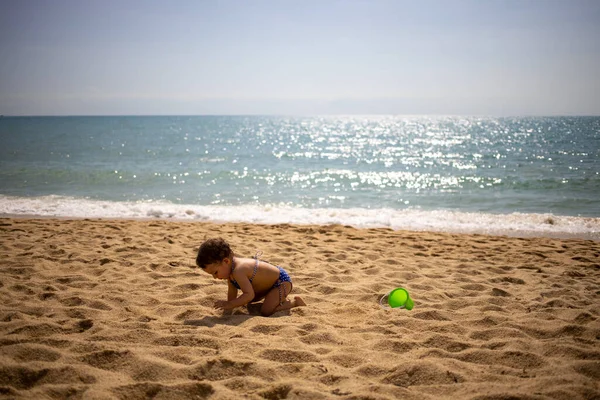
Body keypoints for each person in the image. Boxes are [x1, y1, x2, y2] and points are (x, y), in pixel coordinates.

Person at [196, 237, 306, 317]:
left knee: (266, 311)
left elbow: (249, 294)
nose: (215, 277)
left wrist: (230, 304)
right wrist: (228, 309)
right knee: (250, 302)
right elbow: (232, 292)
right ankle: (276, 298)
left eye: (215, 272)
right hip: (266, 286)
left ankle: (294, 303)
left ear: (226, 261)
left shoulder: (239, 270)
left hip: (280, 282)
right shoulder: (230, 272)